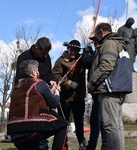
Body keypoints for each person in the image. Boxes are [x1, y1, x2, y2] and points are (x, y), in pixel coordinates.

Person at [7, 60, 68, 150]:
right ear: (34, 72)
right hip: (31, 130)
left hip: (14, 133)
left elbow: (31, 100)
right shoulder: (39, 83)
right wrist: (56, 92)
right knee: (63, 125)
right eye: (37, 70)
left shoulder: (16, 87)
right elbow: (54, 103)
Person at [87, 22, 127, 150]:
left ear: (101, 32)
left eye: (96, 34)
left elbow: (106, 66)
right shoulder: (118, 43)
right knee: (117, 126)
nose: (96, 38)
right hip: (118, 89)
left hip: (109, 91)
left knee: (110, 126)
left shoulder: (109, 43)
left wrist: (92, 82)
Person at [15, 37, 56, 149]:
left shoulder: (46, 58)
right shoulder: (24, 57)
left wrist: (51, 80)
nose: (44, 56)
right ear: (36, 48)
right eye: (42, 53)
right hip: (28, 98)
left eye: (47, 53)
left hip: (43, 96)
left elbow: (49, 73)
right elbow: (20, 80)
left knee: (42, 130)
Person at [52, 40, 86, 150]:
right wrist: (68, 83)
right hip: (65, 98)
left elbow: (92, 62)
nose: (73, 52)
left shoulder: (82, 59)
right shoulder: (60, 61)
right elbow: (56, 76)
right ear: (68, 48)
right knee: (63, 123)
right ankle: (63, 145)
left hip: (79, 97)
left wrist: (89, 53)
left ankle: (82, 143)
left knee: (79, 122)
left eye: (76, 50)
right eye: (72, 49)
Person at [82, 35, 107, 150]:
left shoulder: (101, 51)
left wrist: (87, 50)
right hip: (98, 91)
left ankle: (101, 146)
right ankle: (94, 146)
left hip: (101, 90)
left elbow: (87, 61)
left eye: (95, 40)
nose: (94, 42)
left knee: (100, 120)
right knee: (96, 120)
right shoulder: (98, 51)